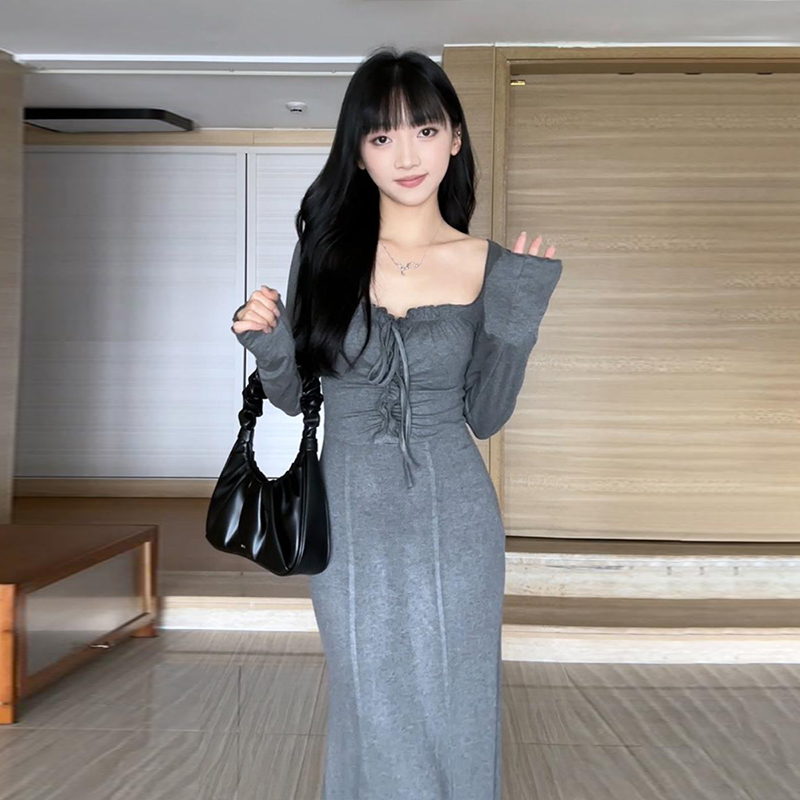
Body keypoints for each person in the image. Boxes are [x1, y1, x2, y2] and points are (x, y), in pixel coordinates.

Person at [230, 45, 563, 800]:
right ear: (358, 151)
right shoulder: (323, 255)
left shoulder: (491, 264)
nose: (406, 155)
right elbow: (293, 398)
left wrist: (517, 323)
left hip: (457, 515)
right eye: (382, 136)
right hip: (349, 512)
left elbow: (486, 415)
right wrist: (269, 346)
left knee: (459, 702)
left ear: (455, 138)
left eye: (425, 130)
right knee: (370, 699)